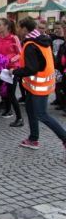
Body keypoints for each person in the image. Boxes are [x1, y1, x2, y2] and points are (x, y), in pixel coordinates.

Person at [13, 17, 66, 152]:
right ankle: (33, 139)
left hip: (39, 86)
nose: (18, 30)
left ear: (25, 29)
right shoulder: (42, 40)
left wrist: (14, 71)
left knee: (42, 114)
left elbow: (32, 68)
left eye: (19, 27)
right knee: (31, 110)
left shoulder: (31, 44)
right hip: (36, 84)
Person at [0, 18, 24, 127]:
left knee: (11, 94)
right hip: (0, 69)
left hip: (11, 70)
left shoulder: (14, 38)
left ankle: (19, 118)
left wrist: (9, 60)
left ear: (6, 26)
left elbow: (20, 54)